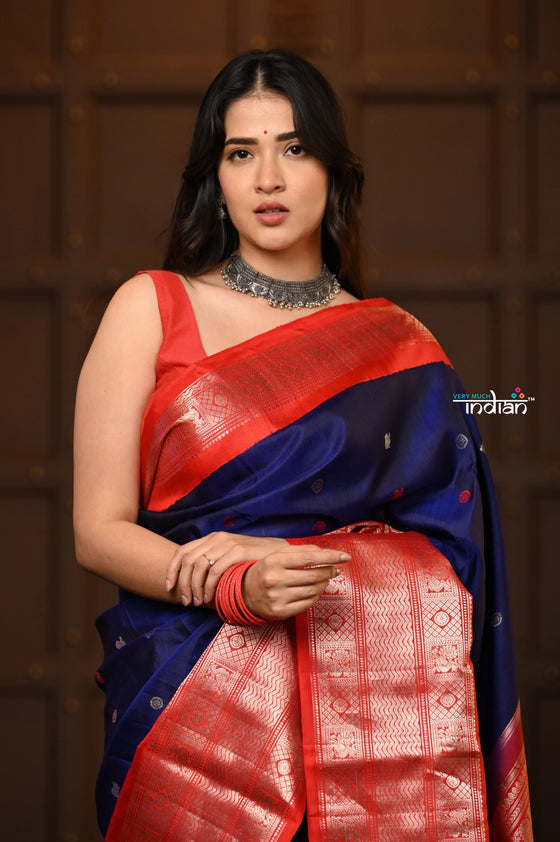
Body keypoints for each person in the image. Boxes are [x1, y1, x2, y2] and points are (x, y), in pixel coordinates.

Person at [73, 50, 533, 841]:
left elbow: (459, 546)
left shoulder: (399, 345)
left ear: (334, 170)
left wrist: (303, 562)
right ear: (215, 178)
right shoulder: (152, 306)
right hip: (189, 711)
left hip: (375, 730)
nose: (268, 179)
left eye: (294, 148)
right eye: (240, 153)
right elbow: (97, 530)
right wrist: (233, 584)